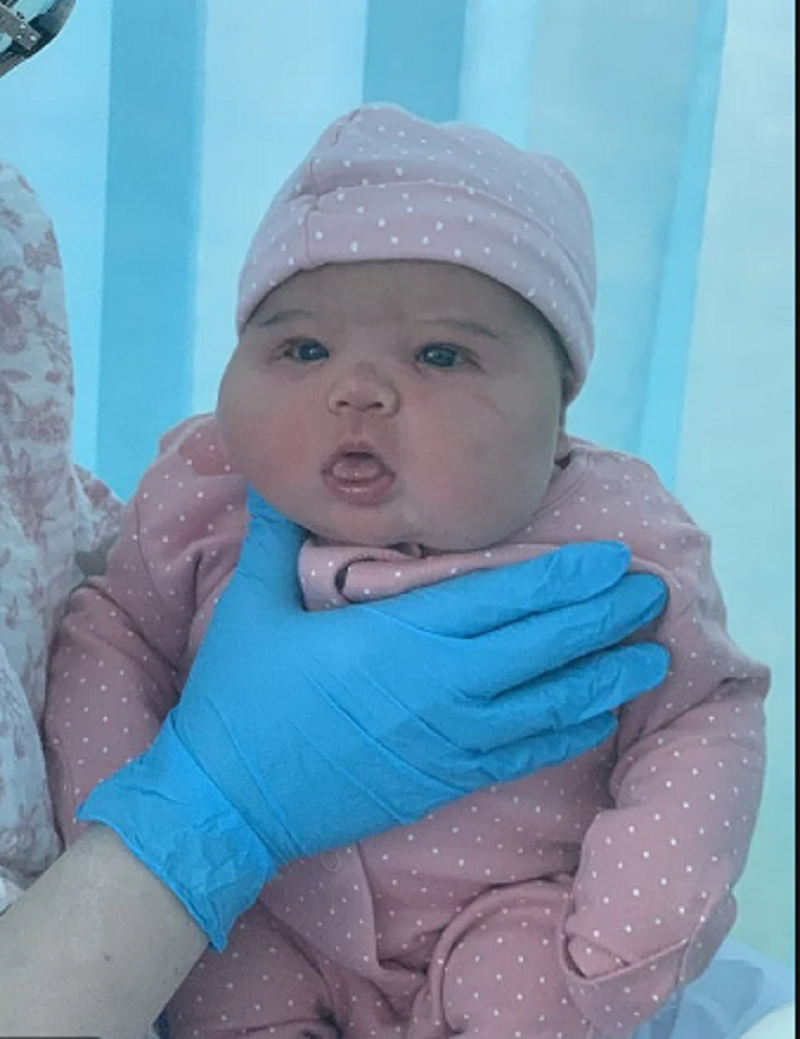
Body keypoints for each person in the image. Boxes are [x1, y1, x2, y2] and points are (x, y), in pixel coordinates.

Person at [0, 26, 674, 1038]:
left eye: (440, 355)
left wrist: (625, 932)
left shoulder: (618, 531)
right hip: (250, 915)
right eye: (304, 348)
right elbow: (113, 638)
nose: (357, 391)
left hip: (508, 912)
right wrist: (177, 811)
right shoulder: (204, 498)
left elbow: (698, 721)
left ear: (560, 403)